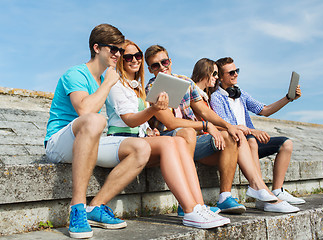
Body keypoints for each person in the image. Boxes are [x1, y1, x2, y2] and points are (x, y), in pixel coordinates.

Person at [105, 39, 230, 229]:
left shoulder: (138, 87)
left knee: (225, 137)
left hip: (145, 138)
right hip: (126, 140)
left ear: (170, 61)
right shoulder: (128, 85)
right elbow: (131, 120)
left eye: (137, 56)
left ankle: (199, 205)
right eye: (128, 57)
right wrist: (155, 110)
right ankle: (189, 207)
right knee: (182, 136)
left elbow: (141, 123)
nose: (133, 60)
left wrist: (149, 129)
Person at [45, 24, 153, 239]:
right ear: (96, 48)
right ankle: (77, 208)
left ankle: (95, 207)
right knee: (95, 120)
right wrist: (109, 83)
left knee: (142, 148)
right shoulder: (75, 73)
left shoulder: (106, 79)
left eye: (120, 50)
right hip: (59, 143)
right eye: (113, 49)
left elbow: (123, 114)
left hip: (88, 141)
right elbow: (84, 110)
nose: (119, 55)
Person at [144, 45, 247, 214]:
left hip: (194, 139)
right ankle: (186, 204)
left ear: (170, 61)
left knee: (229, 136)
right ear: (150, 69)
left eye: (165, 62)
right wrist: (205, 125)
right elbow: (170, 123)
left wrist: (229, 126)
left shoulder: (186, 81)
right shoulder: (151, 89)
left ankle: (225, 197)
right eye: (156, 65)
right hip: (170, 138)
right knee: (187, 132)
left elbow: (204, 110)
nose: (162, 67)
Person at [191, 58, 300, 213]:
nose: (236, 75)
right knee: (250, 141)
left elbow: (265, 110)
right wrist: (252, 131)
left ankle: (276, 191)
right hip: (241, 138)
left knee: (286, 143)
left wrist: (288, 98)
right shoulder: (215, 97)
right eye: (231, 72)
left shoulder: (241, 95)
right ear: (220, 77)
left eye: (237, 71)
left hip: (246, 138)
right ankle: (261, 192)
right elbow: (227, 126)